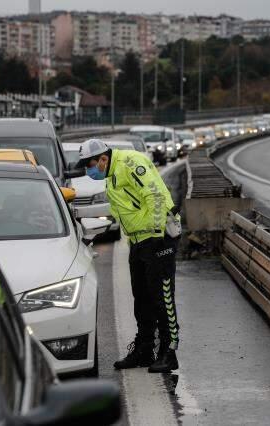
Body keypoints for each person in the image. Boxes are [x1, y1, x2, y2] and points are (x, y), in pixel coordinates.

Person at [77, 138, 181, 373]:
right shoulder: (111, 178)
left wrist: (156, 233)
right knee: (141, 299)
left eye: (90, 165)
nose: (88, 170)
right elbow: (117, 212)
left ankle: (169, 351)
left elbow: (154, 196)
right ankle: (145, 349)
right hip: (138, 241)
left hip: (158, 238)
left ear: (103, 159)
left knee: (162, 298)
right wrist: (80, 220)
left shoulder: (131, 162)